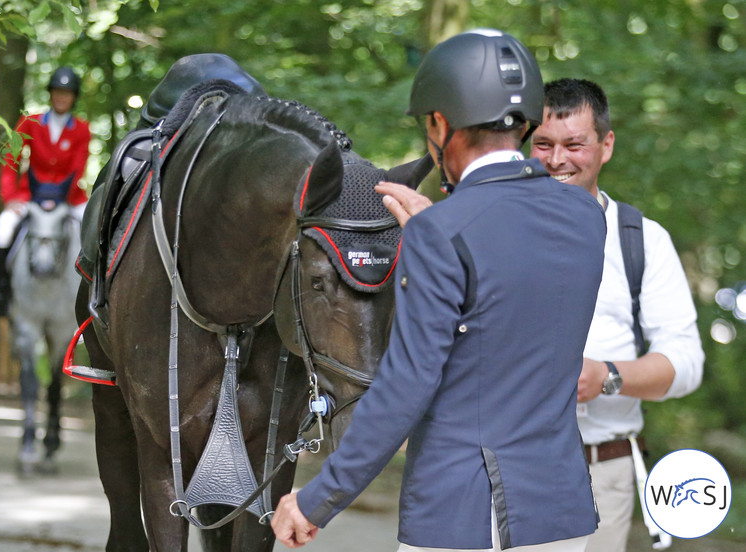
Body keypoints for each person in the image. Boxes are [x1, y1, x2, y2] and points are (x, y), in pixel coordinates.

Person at [271, 29, 606, 551]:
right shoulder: (588, 215)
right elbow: (510, 283)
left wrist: (318, 498)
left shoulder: (443, 232)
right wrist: (440, 232)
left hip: (465, 516)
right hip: (562, 514)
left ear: (440, 122)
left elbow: (406, 385)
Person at [528, 78, 704, 552]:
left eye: (574, 144)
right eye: (542, 143)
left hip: (602, 475)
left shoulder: (643, 239)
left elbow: (686, 363)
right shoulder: (491, 229)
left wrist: (606, 376)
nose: (557, 159)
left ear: (606, 146)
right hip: (504, 471)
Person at [0, 66, 91, 317]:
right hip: (29, 196)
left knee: (96, 230)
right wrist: (9, 197)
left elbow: (78, 167)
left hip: (68, 197)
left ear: (74, 96)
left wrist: (59, 197)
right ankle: (3, 292)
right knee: (2, 230)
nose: (61, 97)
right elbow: (11, 157)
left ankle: (95, 293)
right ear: (51, 93)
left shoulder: (82, 129)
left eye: (66, 93)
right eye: (57, 91)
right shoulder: (30, 122)